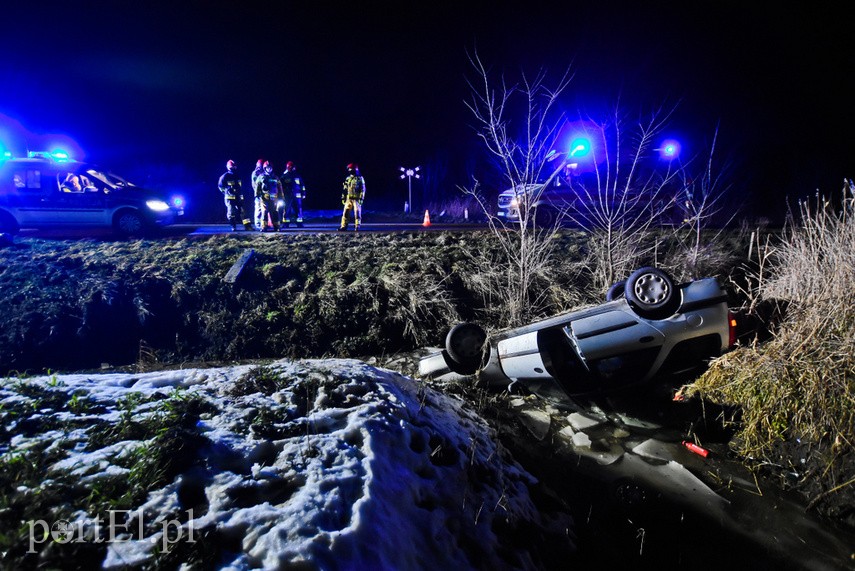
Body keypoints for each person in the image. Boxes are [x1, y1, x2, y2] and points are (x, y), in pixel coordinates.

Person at [218, 160, 252, 231]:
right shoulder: (225, 176)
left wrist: (241, 196)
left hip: (238, 197)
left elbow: (241, 187)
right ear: (228, 167)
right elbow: (221, 187)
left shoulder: (238, 176)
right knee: (231, 212)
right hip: (230, 198)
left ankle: (247, 226)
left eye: (234, 167)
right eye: (231, 167)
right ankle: (233, 226)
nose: (233, 168)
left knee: (243, 212)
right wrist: (227, 191)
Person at [254, 161, 281, 232]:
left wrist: (281, 196)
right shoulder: (261, 177)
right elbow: (257, 187)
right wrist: (256, 196)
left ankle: (276, 226)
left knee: (275, 212)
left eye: (270, 168)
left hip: (274, 198)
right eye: (268, 168)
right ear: (265, 168)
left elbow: (279, 187)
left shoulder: (275, 177)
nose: (269, 169)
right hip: (264, 198)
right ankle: (264, 227)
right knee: (264, 212)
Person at [339, 163, 365, 231]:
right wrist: (343, 197)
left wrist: (361, 198)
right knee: (345, 213)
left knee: (357, 213)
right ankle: (343, 226)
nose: (350, 170)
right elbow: (345, 189)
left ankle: (357, 226)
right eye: (349, 169)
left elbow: (363, 189)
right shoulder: (348, 178)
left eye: (351, 169)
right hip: (348, 199)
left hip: (357, 199)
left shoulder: (360, 179)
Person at [280, 161, 307, 228]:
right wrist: (281, 194)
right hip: (288, 195)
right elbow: (281, 186)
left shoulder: (297, 175)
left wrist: (303, 193)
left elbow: (302, 185)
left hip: (297, 195)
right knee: (287, 209)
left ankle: (299, 223)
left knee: (298, 209)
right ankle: (286, 223)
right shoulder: (284, 176)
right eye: (291, 167)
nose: (292, 168)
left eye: (293, 167)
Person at [251, 159, 265, 229]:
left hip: (264, 194)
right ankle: (258, 223)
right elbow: (256, 184)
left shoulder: (264, 173)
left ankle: (264, 223)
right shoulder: (255, 173)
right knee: (259, 209)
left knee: (264, 209)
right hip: (259, 194)